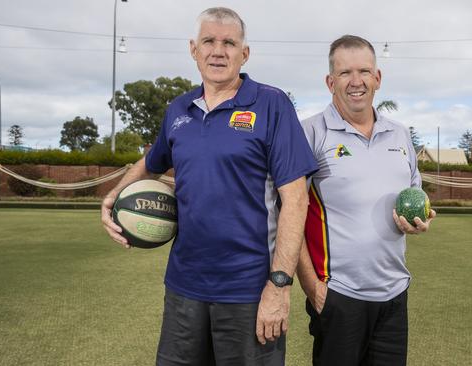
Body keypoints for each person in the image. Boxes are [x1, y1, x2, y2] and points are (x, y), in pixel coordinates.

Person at [101, 7, 317, 366]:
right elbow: (151, 161)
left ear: (244, 53)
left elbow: (295, 200)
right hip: (184, 287)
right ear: (193, 49)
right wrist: (111, 199)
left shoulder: (272, 104)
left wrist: (278, 287)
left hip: (249, 290)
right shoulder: (179, 109)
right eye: (209, 41)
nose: (219, 51)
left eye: (229, 42)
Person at [296, 35, 437, 366]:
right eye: (345, 73)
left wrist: (421, 220)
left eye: (364, 71)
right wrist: (312, 287)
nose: (355, 82)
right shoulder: (310, 133)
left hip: (394, 294)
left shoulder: (400, 134)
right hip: (338, 296)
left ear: (378, 78)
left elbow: (415, 196)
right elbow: (287, 215)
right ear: (330, 82)